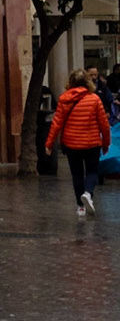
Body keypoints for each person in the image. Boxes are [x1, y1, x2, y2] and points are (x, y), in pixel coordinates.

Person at [47, 69, 111, 216]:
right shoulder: (95, 99)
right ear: (88, 82)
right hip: (92, 143)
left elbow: (56, 124)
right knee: (92, 171)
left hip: (71, 144)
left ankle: (80, 207)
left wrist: (49, 144)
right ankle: (88, 193)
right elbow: (104, 125)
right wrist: (106, 143)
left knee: (76, 174)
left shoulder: (64, 99)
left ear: (71, 82)